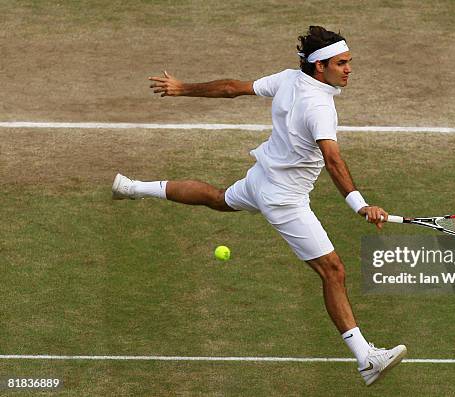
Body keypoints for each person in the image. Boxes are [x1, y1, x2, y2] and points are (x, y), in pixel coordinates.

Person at [112, 26, 406, 386]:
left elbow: (233, 88)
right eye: (341, 64)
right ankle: (366, 358)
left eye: (349, 63)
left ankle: (132, 187)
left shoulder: (287, 80)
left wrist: (182, 87)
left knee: (219, 199)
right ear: (320, 67)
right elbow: (332, 160)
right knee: (333, 271)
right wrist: (360, 205)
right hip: (284, 199)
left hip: (260, 180)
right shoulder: (320, 108)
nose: (348, 70)